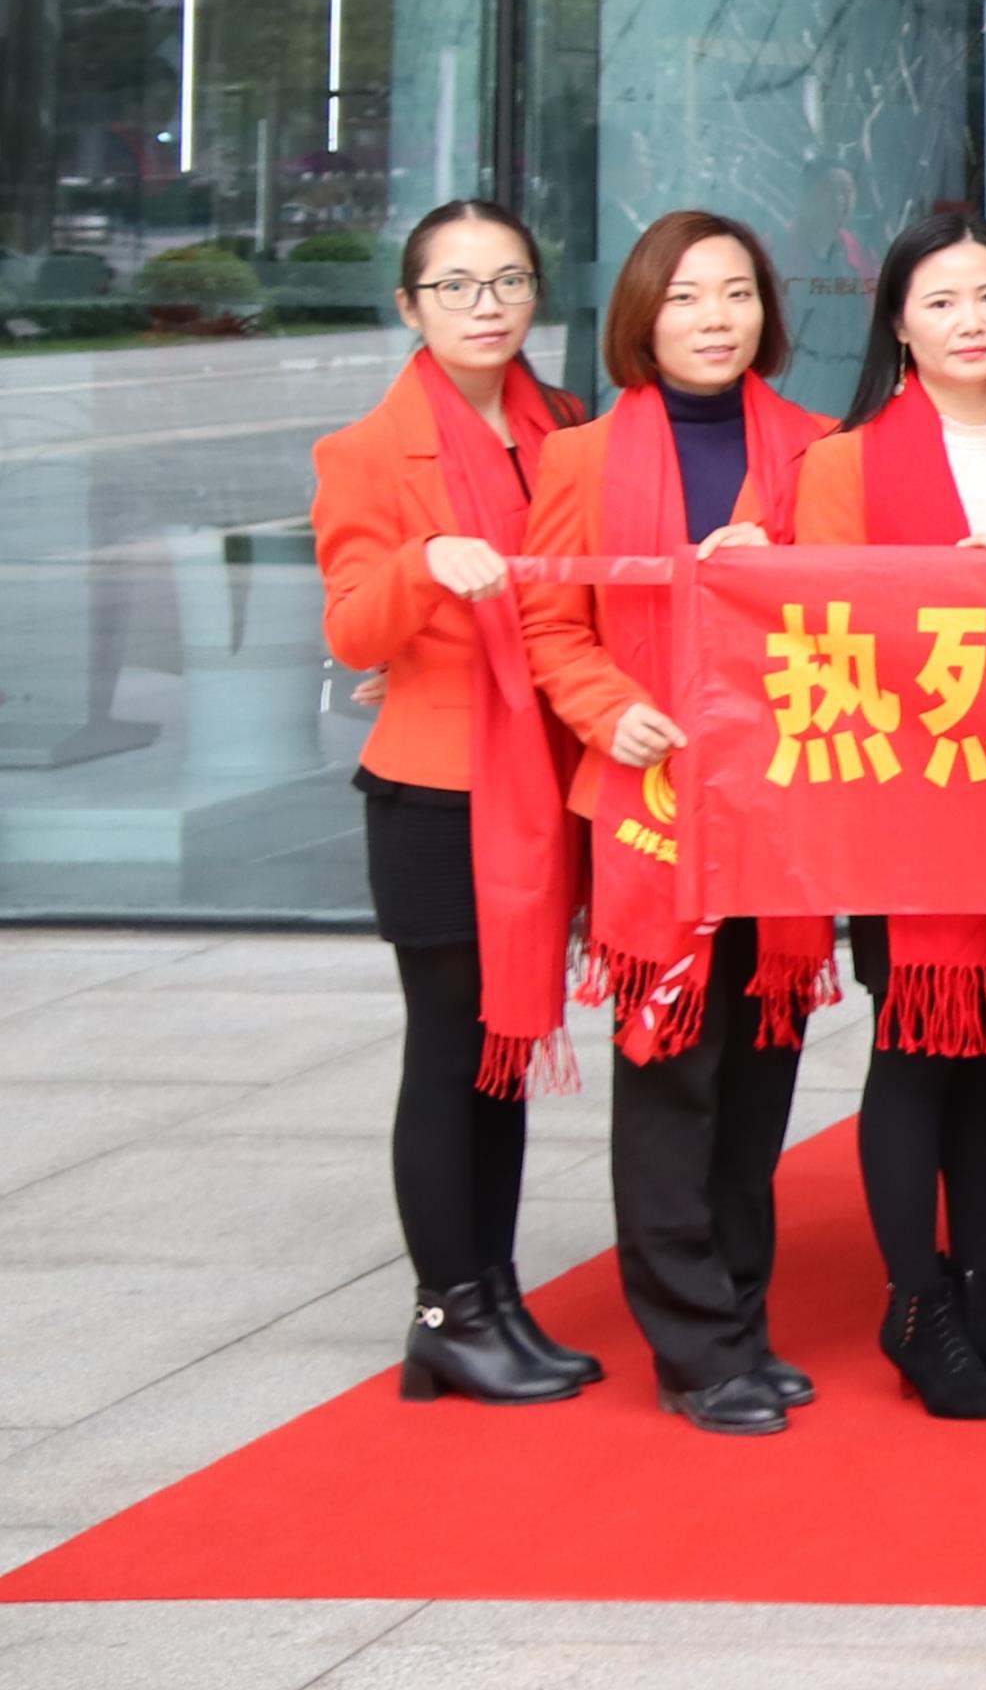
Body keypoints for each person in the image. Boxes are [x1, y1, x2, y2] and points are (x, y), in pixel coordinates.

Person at [519, 213, 830, 1434]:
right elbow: (554, 625)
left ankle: (740, 1317)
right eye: (688, 296)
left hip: (775, 812)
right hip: (651, 812)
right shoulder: (583, 459)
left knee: (758, 1082)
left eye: (738, 293)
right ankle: (693, 1346)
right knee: (670, 1080)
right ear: (642, 317)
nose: (715, 317)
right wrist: (613, 711)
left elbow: (856, 621)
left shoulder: (815, 450)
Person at [782, 205, 986, 1422]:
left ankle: (985, 1292)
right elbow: (823, 639)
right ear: (899, 323)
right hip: (909, 810)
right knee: (916, 1054)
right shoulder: (843, 466)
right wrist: (948, 603)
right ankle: (915, 1306)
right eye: (943, 300)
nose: (972, 320)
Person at [310, 198, 604, 1406]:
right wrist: (421, 564)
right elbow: (351, 628)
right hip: (436, 793)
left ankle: (495, 1293)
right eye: (457, 287)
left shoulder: (566, 427)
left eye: (509, 282)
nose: (487, 307)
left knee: (504, 1050)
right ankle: (446, 1311)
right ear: (410, 306)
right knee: (450, 1050)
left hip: (541, 775)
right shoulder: (366, 453)